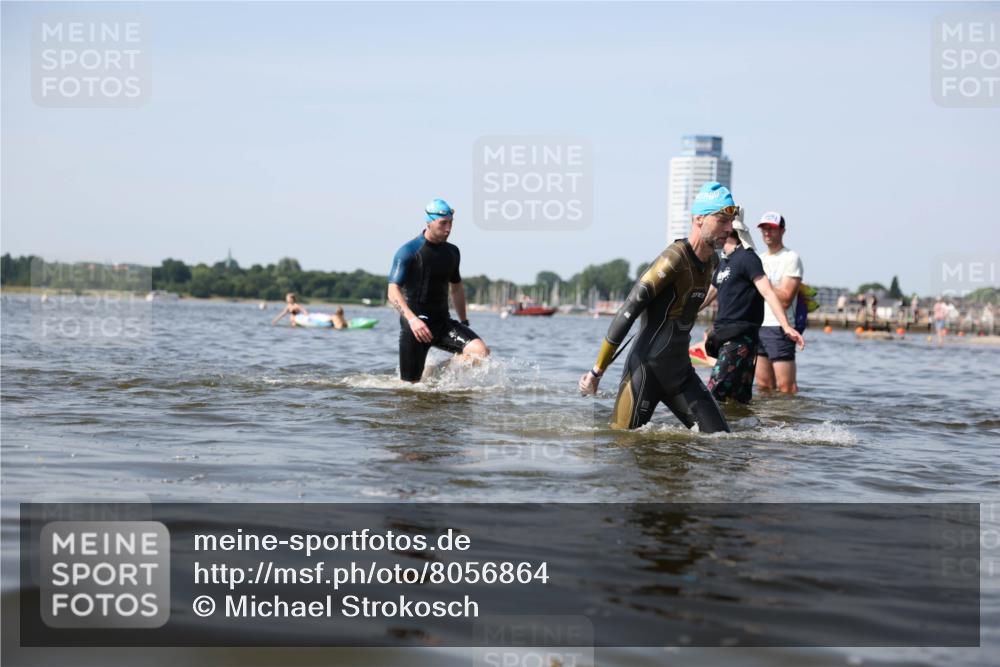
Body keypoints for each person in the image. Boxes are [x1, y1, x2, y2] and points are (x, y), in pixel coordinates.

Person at [577, 181, 736, 433]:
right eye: (722, 221)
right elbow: (628, 311)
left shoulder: (712, 262)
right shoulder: (674, 258)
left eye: (731, 222)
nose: (729, 229)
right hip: (645, 371)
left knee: (721, 442)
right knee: (622, 444)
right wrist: (597, 372)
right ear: (699, 218)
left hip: (681, 373)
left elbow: (686, 308)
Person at [699, 211, 805, 404]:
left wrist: (786, 326)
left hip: (742, 338)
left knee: (713, 394)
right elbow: (709, 295)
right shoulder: (725, 261)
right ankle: (746, 424)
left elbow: (769, 293)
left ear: (729, 230)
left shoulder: (749, 258)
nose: (767, 232)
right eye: (764, 228)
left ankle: (783, 416)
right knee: (740, 397)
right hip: (727, 335)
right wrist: (682, 313)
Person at [387, 198, 489, 383]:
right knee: (410, 387)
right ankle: (424, 381)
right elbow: (393, 290)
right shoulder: (409, 251)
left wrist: (464, 321)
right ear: (429, 222)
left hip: (442, 323)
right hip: (416, 327)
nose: (448, 228)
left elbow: (456, 288)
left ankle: (434, 374)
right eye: (443, 223)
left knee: (480, 352)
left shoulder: (452, 252)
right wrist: (412, 320)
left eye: (451, 223)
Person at [754, 212, 804, 394]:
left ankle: (789, 414)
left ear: (782, 231)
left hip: (780, 328)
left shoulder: (790, 258)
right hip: (759, 326)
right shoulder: (758, 259)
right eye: (764, 228)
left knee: (786, 388)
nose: (767, 232)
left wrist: (762, 281)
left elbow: (785, 299)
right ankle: (768, 414)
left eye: (772, 228)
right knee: (763, 386)